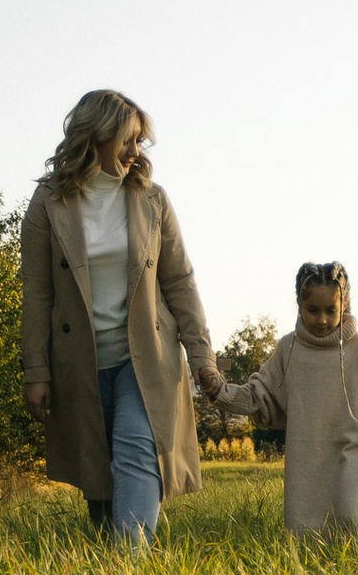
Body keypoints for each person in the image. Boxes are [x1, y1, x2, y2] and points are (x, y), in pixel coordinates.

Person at [19, 90, 225, 544]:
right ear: (97, 136)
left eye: (140, 142)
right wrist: (36, 370)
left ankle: (129, 562)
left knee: (135, 448)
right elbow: (36, 292)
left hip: (145, 355)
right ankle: (112, 553)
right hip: (80, 358)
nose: (136, 152)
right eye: (127, 141)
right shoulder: (48, 203)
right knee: (98, 467)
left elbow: (180, 282)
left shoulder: (153, 200)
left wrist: (201, 357)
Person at [214, 262, 358, 536]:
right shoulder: (288, 349)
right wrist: (220, 391)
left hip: (352, 452)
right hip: (305, 456)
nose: (322, 319)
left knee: (350, 520)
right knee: (306, 531)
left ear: (344, 305)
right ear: (299, 306)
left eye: (330, 310)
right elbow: (260, 393)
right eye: (313, 310)